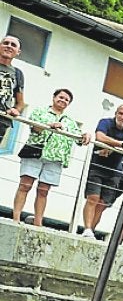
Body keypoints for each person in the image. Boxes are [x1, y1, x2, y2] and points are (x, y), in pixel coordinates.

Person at [12, 87, 89, 226]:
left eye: (66, 100)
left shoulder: (70, 121)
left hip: (55, 159)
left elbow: (79, 139)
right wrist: (50, 125)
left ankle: (38, 222)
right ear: (54, 98)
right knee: (25, 185)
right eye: (61, 97)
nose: (63, 101)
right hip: (36, 152)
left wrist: (86, 135)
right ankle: (16, 218)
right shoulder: (40, 111)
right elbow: (34, 127)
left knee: (43, 191)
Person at [81, 102, 123, 238]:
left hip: (114, 170)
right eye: (120, 113)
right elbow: (100, 137)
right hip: (97, 166)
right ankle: (87, 229)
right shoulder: (105, 122)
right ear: (115, 113)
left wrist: (112, 147)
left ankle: (91, 231)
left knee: (102, 204)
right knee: (93, 198)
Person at [0, 34, 26, 146]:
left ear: (18, 52)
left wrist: (16, 110)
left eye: (13, 45)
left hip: (2, 120)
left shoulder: (18, 74)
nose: (9, 46)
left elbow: (20, 103)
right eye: (6, 43)